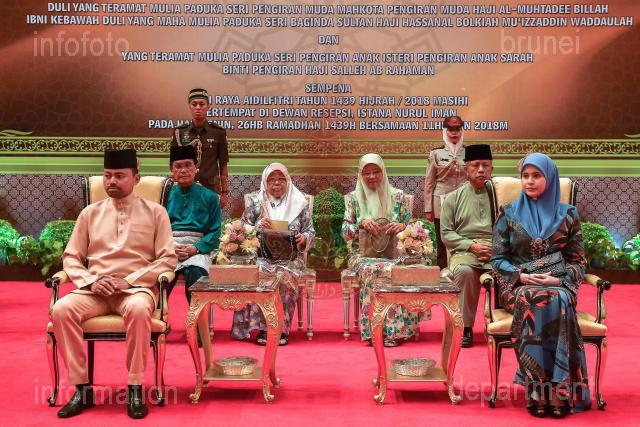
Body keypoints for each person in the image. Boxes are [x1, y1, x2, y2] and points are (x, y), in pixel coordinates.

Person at [51, 149, 177, 419]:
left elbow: (167, 259)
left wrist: (127, 280)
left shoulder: (156, 213)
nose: (111, 181)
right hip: (95, 290)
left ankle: (135, 388)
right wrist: (91, 281)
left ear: (136, 178)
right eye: (107, 175)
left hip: (135, 290)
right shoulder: (89, 213)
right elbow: (71, 257)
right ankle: (82, 389)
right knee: (61, 309)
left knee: (139, 309)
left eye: (120, 176)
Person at [492, 153, 590, 418]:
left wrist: (558, 280)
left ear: (550, 178)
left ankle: (557, 389)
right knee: (534, 297)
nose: (529, 181)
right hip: (518, 286)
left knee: (554, 297)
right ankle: (536, 388)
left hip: (558, 284)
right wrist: (521, 277)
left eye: (536, 176)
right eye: (525, 176)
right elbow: (498, 260)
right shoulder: (508, 213)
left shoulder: (568, 215)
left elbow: (578, 261)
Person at [342, 153, 425, 347]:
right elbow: (345, 233)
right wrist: (361, 224)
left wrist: (402, 227)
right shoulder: (353, 198)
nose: (371, 177)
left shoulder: (398, 197)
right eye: (366, 173)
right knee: (373, 269)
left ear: (383, 172)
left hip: (395, 252)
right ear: (360, 175)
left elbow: (414, 227)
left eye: (376, 171)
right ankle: (376, 330)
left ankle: (396, 331)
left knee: (396, 268)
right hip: (362, 254)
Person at [231, 163, 315, 346]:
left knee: (283, 275)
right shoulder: (256, 202)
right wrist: (256, 227)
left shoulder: (300, 202)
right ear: (265, 182)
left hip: (291, 257)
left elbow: (310, 231)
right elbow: (242, 228)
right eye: (271, 180)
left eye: (281, 179)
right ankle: (263, 327)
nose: (276, 183)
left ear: (288, 180)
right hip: (262, 255)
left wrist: (303, 238)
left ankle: (280, 329)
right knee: (259, 272)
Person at [440, 144, 493, 348]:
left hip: (496, 251)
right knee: (464, 272)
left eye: (485, 165)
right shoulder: (453, 198)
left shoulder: (501, 197)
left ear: (492, 168)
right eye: (475, 165)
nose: (480, 170)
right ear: (466, 169)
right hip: (465, 252)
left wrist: (498, 248)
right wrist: (471, 246)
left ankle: (504, 326)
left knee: (510, 270)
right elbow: (446, 234)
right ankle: (464, 328)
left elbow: (513, 229)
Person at [166, 144, 221, 302]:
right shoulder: (164, 195)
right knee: (159, 276)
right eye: (178, 166)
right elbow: (155, 229)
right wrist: (170, 247)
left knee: (196, 273)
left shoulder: (210, 197)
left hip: (198, 247)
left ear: (196, 167)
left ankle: (197, 318)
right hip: (169, 246)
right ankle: (159, 316)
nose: (183, 170)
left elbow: (215, 232)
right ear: (171, 169)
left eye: (188, 165)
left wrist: (195, 248)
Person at [171, 88, 229, 208]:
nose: (198, 107)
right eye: (194, 104)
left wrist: (224, 193)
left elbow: (223, 164)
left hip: (210, 189)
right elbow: (174, 165)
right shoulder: (179, 132)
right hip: (186, 190)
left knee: (210, 219)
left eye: (202, 104)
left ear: (208, 107)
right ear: (189, 106)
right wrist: (176, 191)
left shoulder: (218, 132)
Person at [424, 115, 468, 268]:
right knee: (442, 239)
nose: (454, 132)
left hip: (463, 200)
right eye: (450, 129)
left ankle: (462, 268)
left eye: (457, 129)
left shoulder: (468, 152)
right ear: (445, 130)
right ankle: (442, 271)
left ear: (462, 130)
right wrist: (428, 208)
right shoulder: (436, 153)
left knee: (463, 236)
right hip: (440, 202)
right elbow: (429, 182)